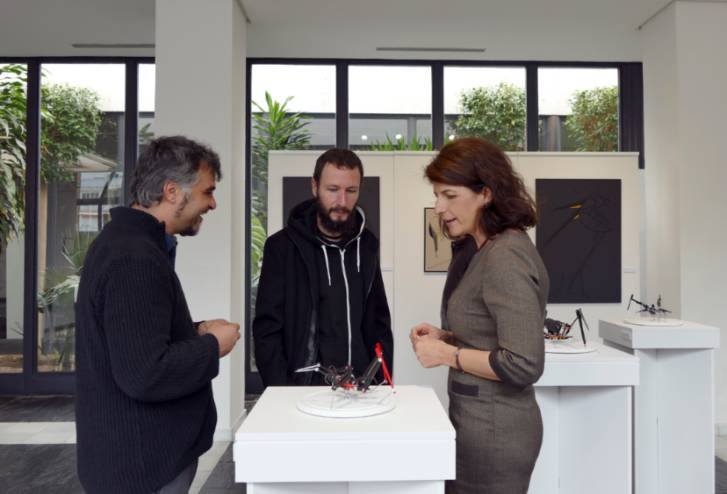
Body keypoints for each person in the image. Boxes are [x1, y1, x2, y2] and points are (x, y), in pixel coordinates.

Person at [75, 136, 241, 494]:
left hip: (134, 460)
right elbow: (145, 373)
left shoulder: (124, 243)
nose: (212, 204)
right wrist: (213, 345)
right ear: (171, 191)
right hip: (142, 468)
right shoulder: (135, 258)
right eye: (207, 192)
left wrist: (196, 331)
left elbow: (131, 336)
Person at [410, 137, 549, 494]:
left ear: (486, 193)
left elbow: (523, 363)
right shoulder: (486, 249)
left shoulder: (505, 256)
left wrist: (447, 354)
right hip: (479, 427)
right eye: (437, 196)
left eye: (449, 195)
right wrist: (447, 337)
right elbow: (490, 332)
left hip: (495, 434)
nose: (439, 207)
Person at [253, 148, 393, 386]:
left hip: (361, 388)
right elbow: (267, 329)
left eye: (351, 191)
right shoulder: (282, 247)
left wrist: (380, 380)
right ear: (315, 186)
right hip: (303, 388)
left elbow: (380, 324)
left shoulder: (367, 245)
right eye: (333, 189)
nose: (342, 201)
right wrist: (281, 391)